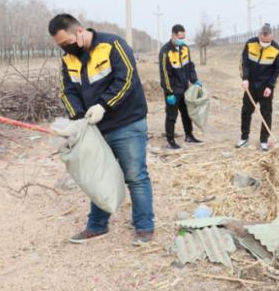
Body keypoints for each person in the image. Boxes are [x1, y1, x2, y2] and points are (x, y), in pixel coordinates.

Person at [49, 14, 155, 245]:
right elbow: (67, 90)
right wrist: (76, 117)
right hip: (95, 127)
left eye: (66, 43)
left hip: (127, 122)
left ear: (79, 32)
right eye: (60, 46)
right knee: (97, 175)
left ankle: (144, 227)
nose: (65, 49)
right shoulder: (69, 59)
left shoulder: (112, 45)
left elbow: (126, 79)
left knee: (135, 175)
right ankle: (97, 226)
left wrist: (103, 105)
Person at [238, 23, 279, 152]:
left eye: (267, 41)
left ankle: (264, 140)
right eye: (262, 41)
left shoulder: (276, 50)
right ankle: (244, 138)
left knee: (266, 113)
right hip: (250, 86)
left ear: (272, 37)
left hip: (266, 88)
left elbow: (278, 70)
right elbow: (244, 63)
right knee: (246, 111)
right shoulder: (250, 43)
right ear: (259, 36)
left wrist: (270, 86)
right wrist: (245, 78)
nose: (264, 43)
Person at [158, 23, 203, 150]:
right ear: (172, 35)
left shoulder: (185, 48)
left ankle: (189, 136)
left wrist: (194, 80)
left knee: (186, 113)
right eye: (179, 37)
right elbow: (164, 74)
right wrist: (169, 92)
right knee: (172, 116)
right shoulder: (165, 52)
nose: (181, 40)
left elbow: (190, 66)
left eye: (183, 38)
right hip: (172, 90)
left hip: (184, 88)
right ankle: (170, 140)